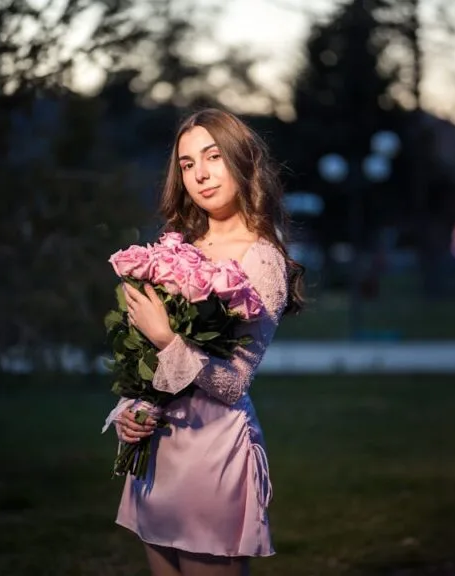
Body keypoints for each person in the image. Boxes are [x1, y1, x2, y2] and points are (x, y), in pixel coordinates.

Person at [102, 107, 306, 576]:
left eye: (212, 156)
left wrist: (166, 337)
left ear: (243, 161)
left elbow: (233, 384)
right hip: (160, 449)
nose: (200, 174)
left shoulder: (262, 260)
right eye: (188, 163)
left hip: (212, 451)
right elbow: (142, 357)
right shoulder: (177, 248)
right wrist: (132, 409)